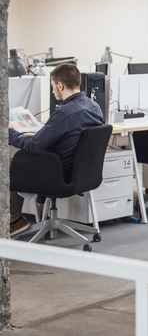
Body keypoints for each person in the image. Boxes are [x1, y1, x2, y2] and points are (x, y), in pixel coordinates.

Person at [8, 64, 104, 236]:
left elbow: (34, 145)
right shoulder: (93, 106)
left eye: (53, 86)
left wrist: (9, 132)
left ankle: (14, 220)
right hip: (80, 173)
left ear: (60, 85)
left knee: (12, 163)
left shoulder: (65, 113)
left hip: (57, 174)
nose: (53, 91)